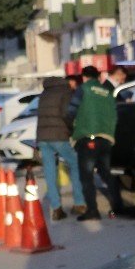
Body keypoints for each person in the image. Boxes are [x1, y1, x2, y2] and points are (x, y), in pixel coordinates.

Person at [68, 65, 124, 220]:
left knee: (86, 177)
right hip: (106, 139)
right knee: (106, 173)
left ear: (84, 77)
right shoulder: (107, 92)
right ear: (98, 77)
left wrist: (71, 128)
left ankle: (92, 210)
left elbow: (71, 111)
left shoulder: (83, 89)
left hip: (87, 138)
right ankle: (119, 206)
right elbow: (115, 115)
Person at [36, 76, 87, 221]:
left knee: (50, 171)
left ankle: (56, 208)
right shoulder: (65, 92)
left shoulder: (44, 94)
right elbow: (68, 114)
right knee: (75, 164)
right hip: (59, 135)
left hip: (43, 137)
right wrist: (72, 131)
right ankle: (79, 203)